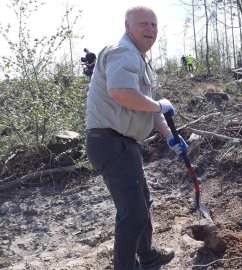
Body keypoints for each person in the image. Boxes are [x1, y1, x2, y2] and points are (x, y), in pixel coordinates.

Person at [85, 6, 188, 270]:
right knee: (132, 215)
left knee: (142, 202)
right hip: (111, 142)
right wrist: (158, 106)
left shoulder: (140, 60)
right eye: (143, 24)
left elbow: (148, 106)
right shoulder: (123, 52)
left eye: (154, 25)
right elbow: (121, 92)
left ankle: (149, 255)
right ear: (127, 26)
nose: (150, 30)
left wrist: (168, 136)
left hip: (123, 144)